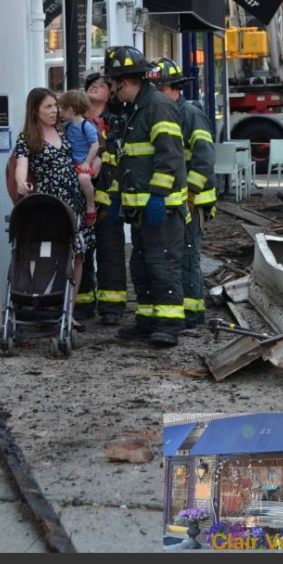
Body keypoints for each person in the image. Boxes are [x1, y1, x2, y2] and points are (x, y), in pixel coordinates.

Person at [103, 46, 188, 347]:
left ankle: (168, 325)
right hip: (138, 209)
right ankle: (148, 320)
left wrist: (157, 196)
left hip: (161, 208)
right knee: (141, 265)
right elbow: (125, 161)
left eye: (112, 85)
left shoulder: (157, 107)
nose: (111, 91)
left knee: (162, 264)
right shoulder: (134, 110)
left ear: (125, 82)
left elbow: (170, 158)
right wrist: (116, 197)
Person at [148, 58, 217, 327]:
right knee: (175, 255)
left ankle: (193, 312)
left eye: (161, 91)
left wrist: (190, 194)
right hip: (176, 199)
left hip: (194, 201)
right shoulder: (163, 113)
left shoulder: (189, 114)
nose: (157, 96)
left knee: (188, 253)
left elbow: (204, 158)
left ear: (176, 89)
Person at [13, 87, 86, 295]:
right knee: (53, 252)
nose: (55, 110)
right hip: (50, 202)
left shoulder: (64, 130)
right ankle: (48, 301)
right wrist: (21, 182)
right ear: (35, 110)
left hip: (73, 198)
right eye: (48, 106)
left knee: (78, 254)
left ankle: (70, 311)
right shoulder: (27, 137)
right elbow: (21, 166)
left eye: (56, 106)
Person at [72, 71, 129, 326]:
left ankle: (111, 307)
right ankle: (82, 305)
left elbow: (124, 158)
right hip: (78, 199)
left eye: (103, 84)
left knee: (111, 252)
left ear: (112, 93)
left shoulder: (117, 122)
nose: (96, 85)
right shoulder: (72, 123)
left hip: (110, 197)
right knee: (80, 250)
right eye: (91, 83)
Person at [57, 89, 100, 226]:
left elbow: (95, 145)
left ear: (70, 110)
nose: (59, 112)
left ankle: (91, 205)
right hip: (73, 163)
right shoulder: (68, 126)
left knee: (84, 178)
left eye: (61, 108)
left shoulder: (86, 126)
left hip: (83, 163)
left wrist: (88, 162)